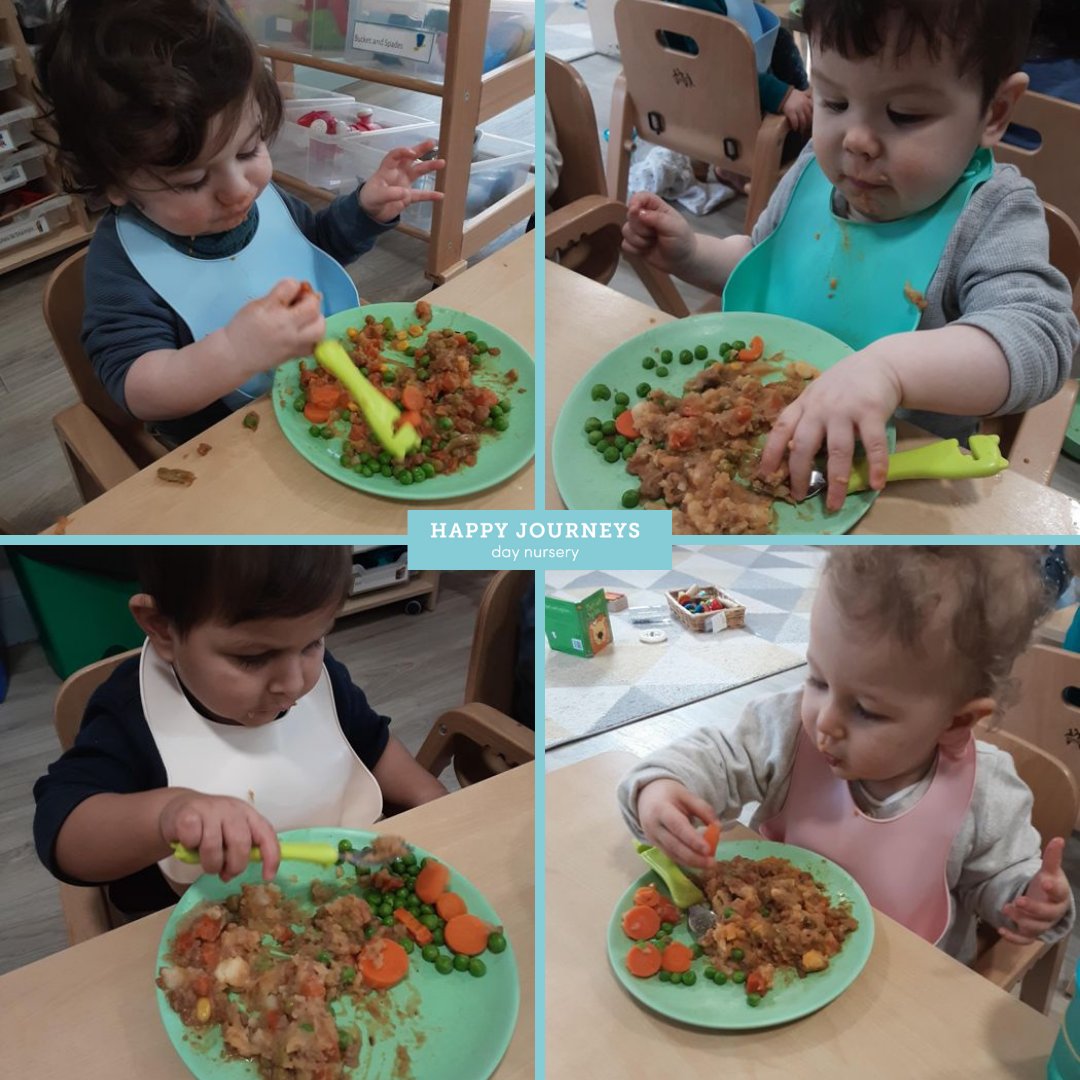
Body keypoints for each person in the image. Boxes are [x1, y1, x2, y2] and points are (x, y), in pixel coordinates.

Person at [622, 0, 1080, 512]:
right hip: (755, 450)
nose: (856, 141)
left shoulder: (992, 214)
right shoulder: (811, 172)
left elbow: (1040, 339)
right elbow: (765, 263)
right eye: (834, 102)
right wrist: (691, 253)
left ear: (994, 112)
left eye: (904, 114)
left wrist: (890, 371)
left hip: (894, 482)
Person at [617, 547, 1074, 961]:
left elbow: (1001, 881)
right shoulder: (787, 728)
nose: (825, 721)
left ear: (955, 721)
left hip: (906, 991)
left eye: (866, 710)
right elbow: (718, 758)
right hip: (770, 956)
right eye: (817, 679)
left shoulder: (986, 792)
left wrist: (1027, 901)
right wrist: (661, 787)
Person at [36, 0, 445, 447]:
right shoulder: (122, 266)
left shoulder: (261, 199)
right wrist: (235, 352)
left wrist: (364, 211)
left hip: (323, 397)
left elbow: (314, 249)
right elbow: (137, 389)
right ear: (115, 183)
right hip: (222, 439)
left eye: (249, 151)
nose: (238, 190)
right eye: (192, 181)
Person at [33, 546, 448, 919]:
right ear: (161, 628)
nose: (293, 683)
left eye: (314, 643)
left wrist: (439, 809)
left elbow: (373, 744)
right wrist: (167, 815)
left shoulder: (323, 679)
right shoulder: (129, 712)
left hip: (341, 895)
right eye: (254, 657)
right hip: (190, 920)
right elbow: (63, 832)